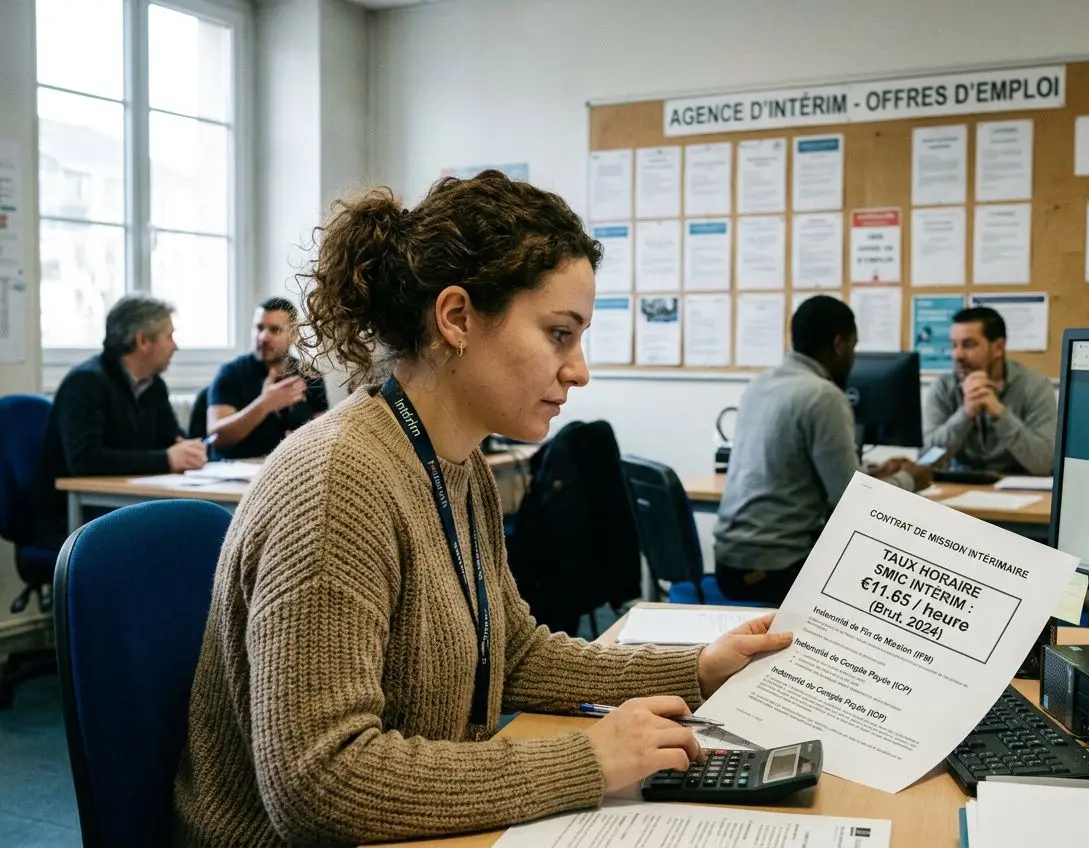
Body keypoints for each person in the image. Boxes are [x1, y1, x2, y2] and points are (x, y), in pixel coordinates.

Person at [172, 172, 792, 846]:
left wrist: (696, 670)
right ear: (457, 318)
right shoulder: (335, 483)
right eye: (560, 333)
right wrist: (587, 760)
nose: (579, 370)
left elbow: (512, 654)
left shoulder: (453, 461)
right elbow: (322, 782)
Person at [712, 296, 933, 606]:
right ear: (839, 344)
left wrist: (871, 473)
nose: (853, 358)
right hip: (777, 570)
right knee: (891, 586)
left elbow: (796, 467)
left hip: (729, 565)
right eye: (854, 347)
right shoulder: (823, 395)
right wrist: (910, 480)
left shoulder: (760, 384)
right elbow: (852, 501)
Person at [33, 294, 206, 549]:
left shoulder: (153, 385)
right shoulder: (85, 383)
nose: (175, 346)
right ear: (142, 340)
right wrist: (167, 459)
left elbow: (171, 437)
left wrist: (187, 449)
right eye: (169, 336)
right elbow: (85, 460)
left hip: (127, 509)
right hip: (77, 521)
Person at [922, 306, 1057, 475]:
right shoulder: (943, 388)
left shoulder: (1035, 386)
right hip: (958, 487)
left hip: (1020, 491)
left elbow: (1044, 464)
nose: (958, 355)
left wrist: (1000, 414)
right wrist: (965, 414)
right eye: (954, 345)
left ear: (998, 348)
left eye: (968, 345)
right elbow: (926, 460)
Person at [205, 296, 329, 459]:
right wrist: (265, 404)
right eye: (259, 328)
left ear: (293, 335)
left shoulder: (309, 375)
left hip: (288, 469)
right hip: (236, 471)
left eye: (274, 330)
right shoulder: (231, 373)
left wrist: (302, 441)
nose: (263, 337)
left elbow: (323, 434)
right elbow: (217, 438)